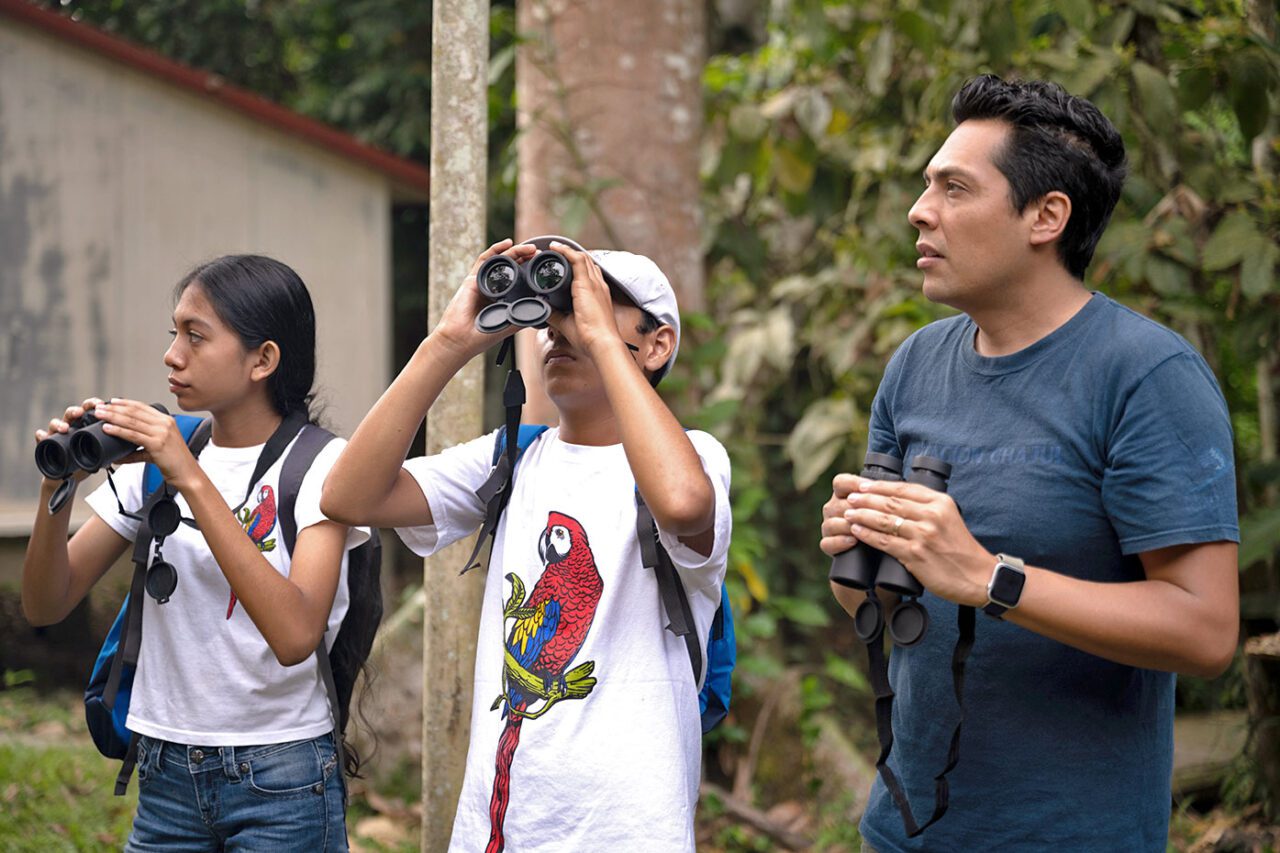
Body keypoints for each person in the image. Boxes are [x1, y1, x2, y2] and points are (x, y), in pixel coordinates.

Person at [819, 75, 1239, 852]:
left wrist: (990, 577)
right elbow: (886, 618)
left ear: (1046, 217)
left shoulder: (1146, 375)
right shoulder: (915, 363)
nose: (920, 210)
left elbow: (1207, 630)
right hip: (904, 829)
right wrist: (865, 558)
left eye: (954, 188)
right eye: (925, 185)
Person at [322, 237, 731, 852]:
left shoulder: (695, 457)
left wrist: (594, 336)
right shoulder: (513, 456)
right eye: (556, 309)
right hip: (499, 827)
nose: (562, 325)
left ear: (655, 344)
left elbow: (681, 503)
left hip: (629, 831)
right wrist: (448, 344)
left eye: (597, 301)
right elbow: (347, 498)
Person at [22, 255, 368, 852]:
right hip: (164, 772)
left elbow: (294, 635)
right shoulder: (160, 458)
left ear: (262, 360)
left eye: (196, 336)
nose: (172, 355)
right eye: (173, 333)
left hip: (282, 775)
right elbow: (46, 603)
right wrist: (57, 490)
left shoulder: (324, 467)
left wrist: (187, 474)